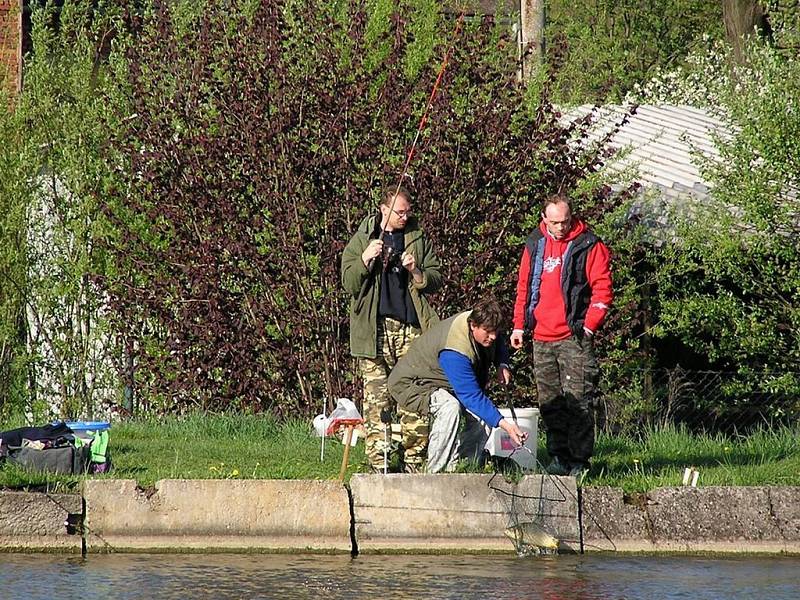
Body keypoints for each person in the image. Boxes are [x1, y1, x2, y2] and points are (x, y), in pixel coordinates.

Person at [510, 193, 613, 477]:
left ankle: (580, 462)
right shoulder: (535, 244)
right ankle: (558, 458)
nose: (560, 228)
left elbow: (602, 290)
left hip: (574, 336)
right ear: (544, 219)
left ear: (572, 218)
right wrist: (519, 326)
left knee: (578, 400)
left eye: (565, 221)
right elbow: (523, 287)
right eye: (554, 222)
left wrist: (590, 326)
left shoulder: (589, 245)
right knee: (550, 402)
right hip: (541, 337)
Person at [341, 186, 442, 473]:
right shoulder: (362, 238)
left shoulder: (417, 237)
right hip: (374, 330)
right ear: (384, 210)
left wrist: (417, 271)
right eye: (399, 212)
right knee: (377, 400)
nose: (404, 216)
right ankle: (380, 463)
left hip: (411, 328)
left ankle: (414, 462)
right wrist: (364, 260)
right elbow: (348, 282)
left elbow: (436, 277)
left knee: (415, 394)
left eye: (408, 211)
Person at [388, 296, 527, 473]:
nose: (492, 336)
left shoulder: (484, 323)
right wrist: (506, 425)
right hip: (413, 382)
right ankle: (434, 473)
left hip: (442, 380)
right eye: (487, 331)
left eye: (495, 331)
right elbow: (471, 396)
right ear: (473, 326)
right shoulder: (455, 351)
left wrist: (502, 363)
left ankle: (462, 468)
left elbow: (498, 341)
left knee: (483, 417)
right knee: (450, 408)